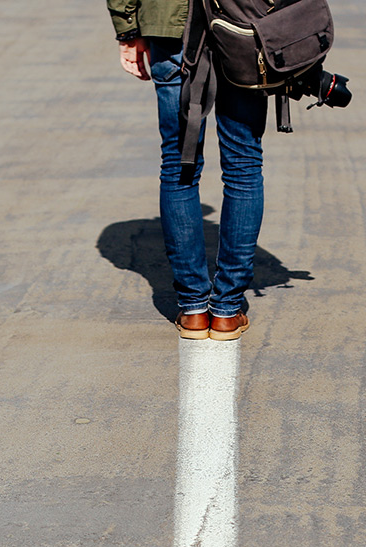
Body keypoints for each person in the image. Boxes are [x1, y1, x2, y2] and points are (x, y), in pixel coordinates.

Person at [109, 0, 267, 341]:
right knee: (244, 164)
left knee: (180, 164)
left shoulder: (116, 228)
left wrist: (128, 30)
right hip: (244, 23)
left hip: (169, 27)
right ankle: (227, 309)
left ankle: (193, 308)